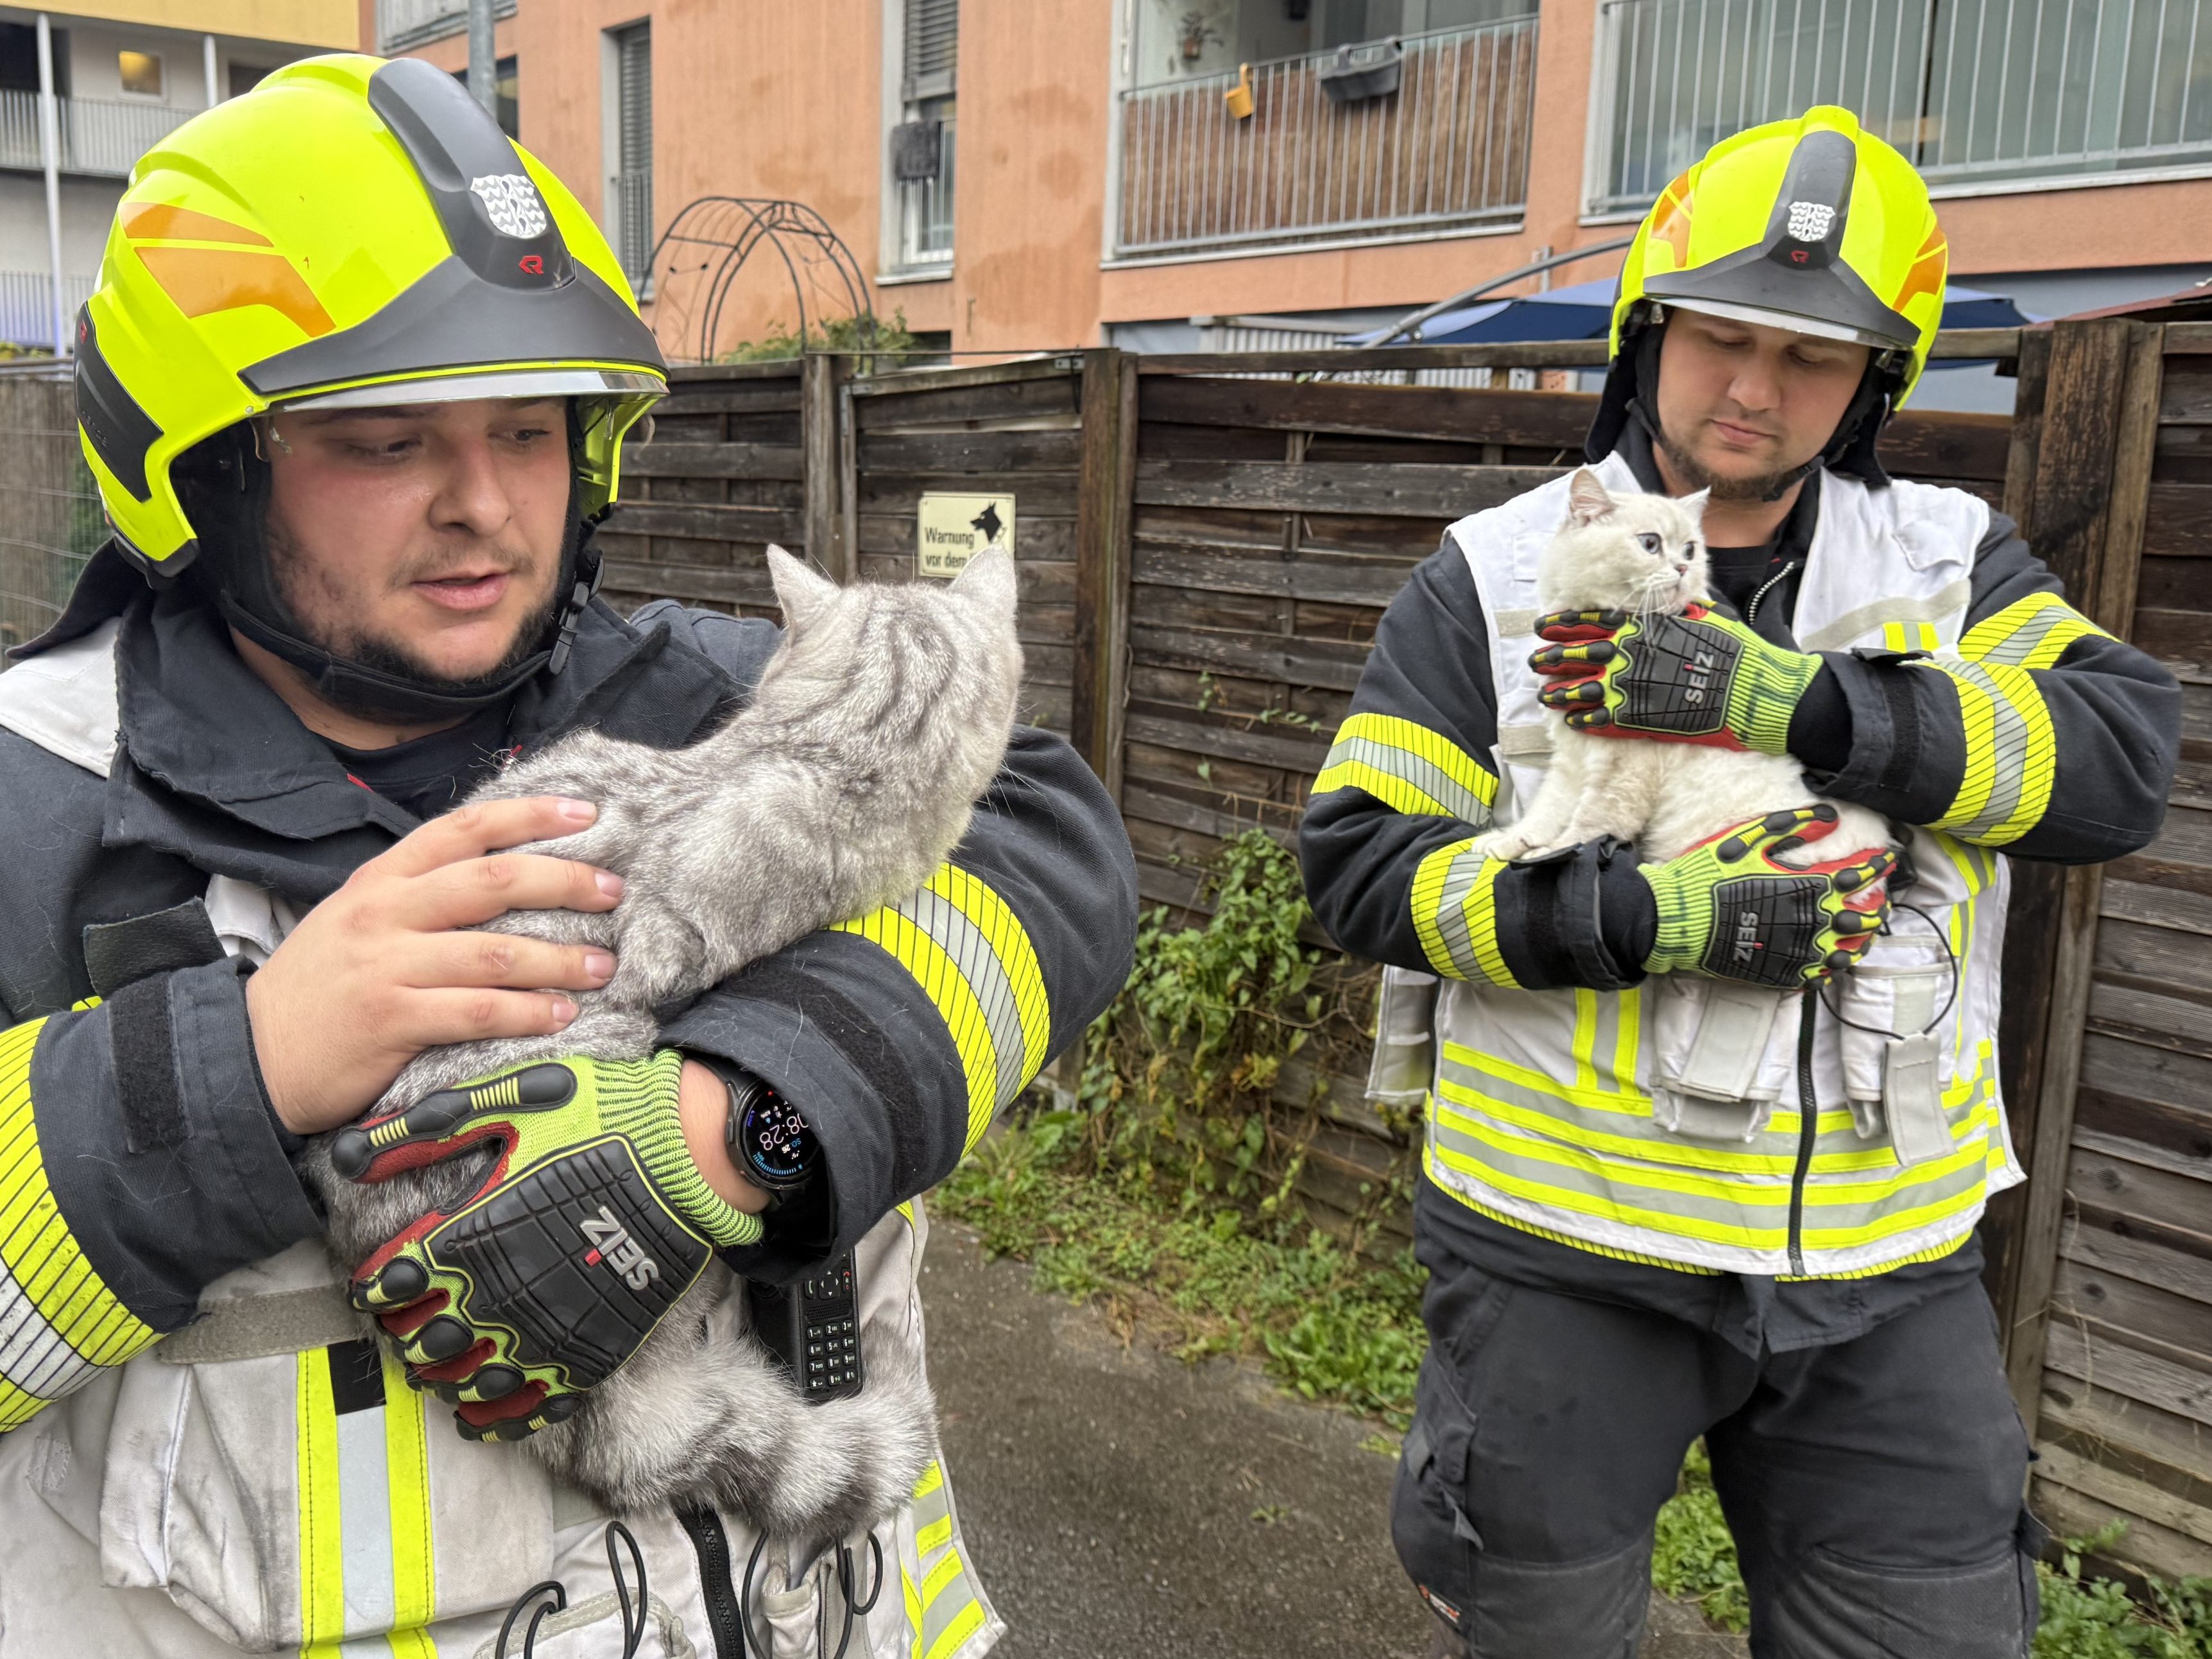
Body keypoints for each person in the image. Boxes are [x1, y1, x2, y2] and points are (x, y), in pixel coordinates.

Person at [0, 53, 1135, 1658]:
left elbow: (1056, 843)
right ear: (204, 471)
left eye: (529, 430)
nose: (485, 505)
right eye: (386, 440)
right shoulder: (38, 807)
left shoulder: (706, 690)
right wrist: (239, 1070)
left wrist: (746, 1115)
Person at [1300, 107, 2179, 1659]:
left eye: (1811, 357)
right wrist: (1639, 920)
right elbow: (1363, 871)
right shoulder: (1489, 575)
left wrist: (1812, 709)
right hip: (1561, 1256)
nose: (1754, 389)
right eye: (1719, 336)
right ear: (1646, 332)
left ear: (1874, 383)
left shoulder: (1950, 566)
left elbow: (2116, 767)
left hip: (1884, 1272)